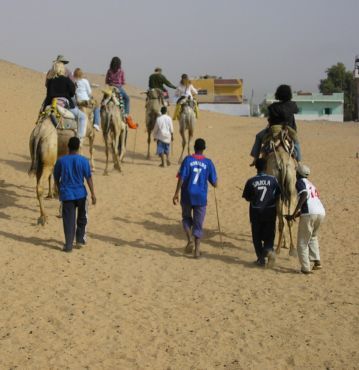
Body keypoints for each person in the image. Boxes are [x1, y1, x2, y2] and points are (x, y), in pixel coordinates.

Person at [173, 138, 217, 258]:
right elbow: (214, 182)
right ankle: (197, 251)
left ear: (194, 148)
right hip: (201, 198)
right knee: (198, 224)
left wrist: (176, 193)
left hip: (187, 195)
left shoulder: (187, 160)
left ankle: (189, 240)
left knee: (186, 218)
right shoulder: (208, 162)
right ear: (204, 149)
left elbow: (181, 177)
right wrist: (215, 183)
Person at [54, 137, 96, 252]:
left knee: (68, 220)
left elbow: (56, 176)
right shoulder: (83, 161)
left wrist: (58, 188)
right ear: (78, 147)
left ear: (68, 147)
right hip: (81, 194)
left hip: (67, 195)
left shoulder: (61, 161)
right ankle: (79, 240)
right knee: (82, 218)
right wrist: (93, 194)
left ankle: (68, 245)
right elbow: (88, 178)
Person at [286, 164, 325, 274]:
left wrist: (293, 214)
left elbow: (304, 195)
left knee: (302, 242)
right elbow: (309, 203)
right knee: (313, 236)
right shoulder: (311, 184)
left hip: (309, 214)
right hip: (320, 212)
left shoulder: (299, 182)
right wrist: (294, 216)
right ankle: (317, 261)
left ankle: (305, 268)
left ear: (298, 174)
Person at [242, 158, 281, 267]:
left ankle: (260, 259)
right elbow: (278, 194)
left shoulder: (251, 181)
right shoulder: (273, 180)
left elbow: (247, 197)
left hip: (255, 212)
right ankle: (269, 250)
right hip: (270, 211)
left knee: (256, 236)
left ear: (256, 168)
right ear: (266, 167)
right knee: (269, 234)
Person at [250, 84, 301, 166]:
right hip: (289, 130)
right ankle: (299, 162)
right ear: (289, 94)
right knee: (296, 142)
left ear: (278, 94)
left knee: (258, 136)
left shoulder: (273, 107)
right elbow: (295, 112)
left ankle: (255, 159)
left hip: (275, 130)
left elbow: (270, 121)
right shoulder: (292, 105)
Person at [44, 62, 87, 140]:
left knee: (41, 116)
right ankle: (79, 139)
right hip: (65, 106)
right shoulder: (67, 80)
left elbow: (48, 96)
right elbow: (72, 92)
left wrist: (44, 108)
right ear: (62, 69)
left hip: (52, 104)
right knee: (82, 117)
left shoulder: (50, 81)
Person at [105, 56, 137, 128]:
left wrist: (110, 83)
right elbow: (123, 81)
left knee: (104, 101)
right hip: (118, 88)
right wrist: (121, 83)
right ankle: (126, 114)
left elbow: (106, 80)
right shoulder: (121, 71)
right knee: (127, 99)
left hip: (110, 87)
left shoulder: (109, 70)